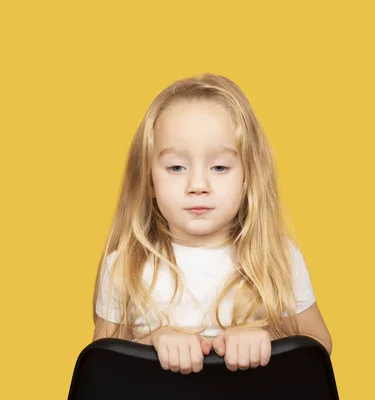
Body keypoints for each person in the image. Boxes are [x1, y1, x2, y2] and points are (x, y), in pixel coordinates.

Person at [91, 73, 332, 375]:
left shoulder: (277, 257)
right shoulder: (126, 266)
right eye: (176, 167)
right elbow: (101, 366)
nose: (198, 185)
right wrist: (151, 341)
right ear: (149, 179)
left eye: (219, 167)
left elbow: (318, 348)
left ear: (248, 177)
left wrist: (268, 340)